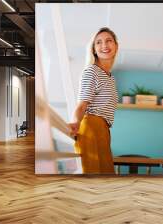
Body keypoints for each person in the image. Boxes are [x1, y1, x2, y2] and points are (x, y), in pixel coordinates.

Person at [69, 27, 119, 174]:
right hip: (90, 127)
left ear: (116, 46)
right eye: (99, 42)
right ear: (94, 49)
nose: (104, 45)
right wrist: (75, 123)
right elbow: (82, 104)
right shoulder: (92, 71)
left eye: (109, 41)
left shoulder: (111, 77)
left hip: (103, 130)